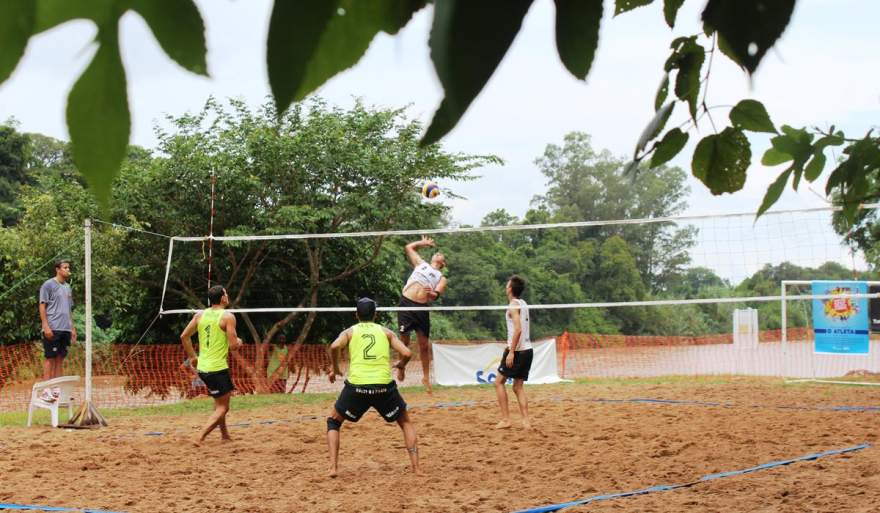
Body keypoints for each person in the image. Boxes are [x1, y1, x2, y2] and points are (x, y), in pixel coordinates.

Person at [326, 297, 421, 477]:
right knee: (406, 422)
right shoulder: (386, 332)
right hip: (384, 387)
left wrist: (335, 369)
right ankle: (416, 468)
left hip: (357, 387)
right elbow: (407, 353)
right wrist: (401, 365)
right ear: (375, 315)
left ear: (356, 315)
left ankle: (333, 468)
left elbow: (334, 346)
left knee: (333, 421)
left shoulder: (350, 332)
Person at [180, 285, 243, 445]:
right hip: (217, 368)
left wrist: (193, 357)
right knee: (224, 407)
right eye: (226, 294)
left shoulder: (200, 315)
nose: (228, 296)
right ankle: (200, 436)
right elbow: (233, 346)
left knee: (218, 402)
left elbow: (184, 336)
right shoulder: (228, 317)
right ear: (222, 298)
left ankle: (225, 436)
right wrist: (239, 341)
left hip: (203, 368)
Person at [396, 236, 447, 393]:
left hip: (422, 309)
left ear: (443, 263)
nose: (438, 253)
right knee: (404, 341)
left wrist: (431, 293)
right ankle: (402, 365)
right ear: (432, 257)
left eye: (441, 255)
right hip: (406, 303)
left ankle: (426, 378)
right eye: (436, 252)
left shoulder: (441, 277)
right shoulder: (421, 264)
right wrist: (422, 244)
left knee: (424, 346)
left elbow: (436, 295)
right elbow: (408, 247)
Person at [494, 275, 533, 430]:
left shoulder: (512, 306)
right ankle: (526, 422)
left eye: (507, 284)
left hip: (517, 351)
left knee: (498, 382)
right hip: (528, 350)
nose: (506, 287)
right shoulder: (523, 303)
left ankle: (506, 419)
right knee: (518, 387)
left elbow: (518, 329)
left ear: (510, 289)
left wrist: (511, 352)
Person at [38, 259, 76, 402]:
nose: (68, 270)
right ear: (57, 269)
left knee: (60, 358)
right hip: (53, 328)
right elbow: (42, 306)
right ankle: (46, 390)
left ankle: (57, 389)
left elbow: (69, 309)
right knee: (50, 358)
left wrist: (72, 327)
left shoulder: (67, 287)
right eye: (65, 267)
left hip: (65, 328)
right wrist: (46, 326)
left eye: (68, 267)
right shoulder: (48, 285)